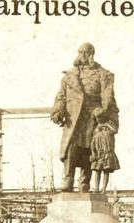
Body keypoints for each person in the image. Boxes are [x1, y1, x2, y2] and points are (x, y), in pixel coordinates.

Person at [50, 43, 119, 192]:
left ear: (91, 54)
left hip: (92, 118)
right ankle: (68, 180)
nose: (82, 55)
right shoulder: (69, 76)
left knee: (89, 150)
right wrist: (57, 111)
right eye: (80, 52)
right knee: (71, 148)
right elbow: (61, 96)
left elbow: (109, 99)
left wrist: (106, 115)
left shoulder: (103, 74)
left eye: (85, 52)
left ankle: (85, 182)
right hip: (73, 117)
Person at [90, 117, 119, 192]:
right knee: (97, 171)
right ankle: (96, 187)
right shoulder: (97, 133)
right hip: (99, 154)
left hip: (108, 153)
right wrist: (93, 153)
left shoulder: (109, 132)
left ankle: (104, 188)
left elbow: (115, 130)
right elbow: (92, 143)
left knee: (106, 171)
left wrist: (107, 124)